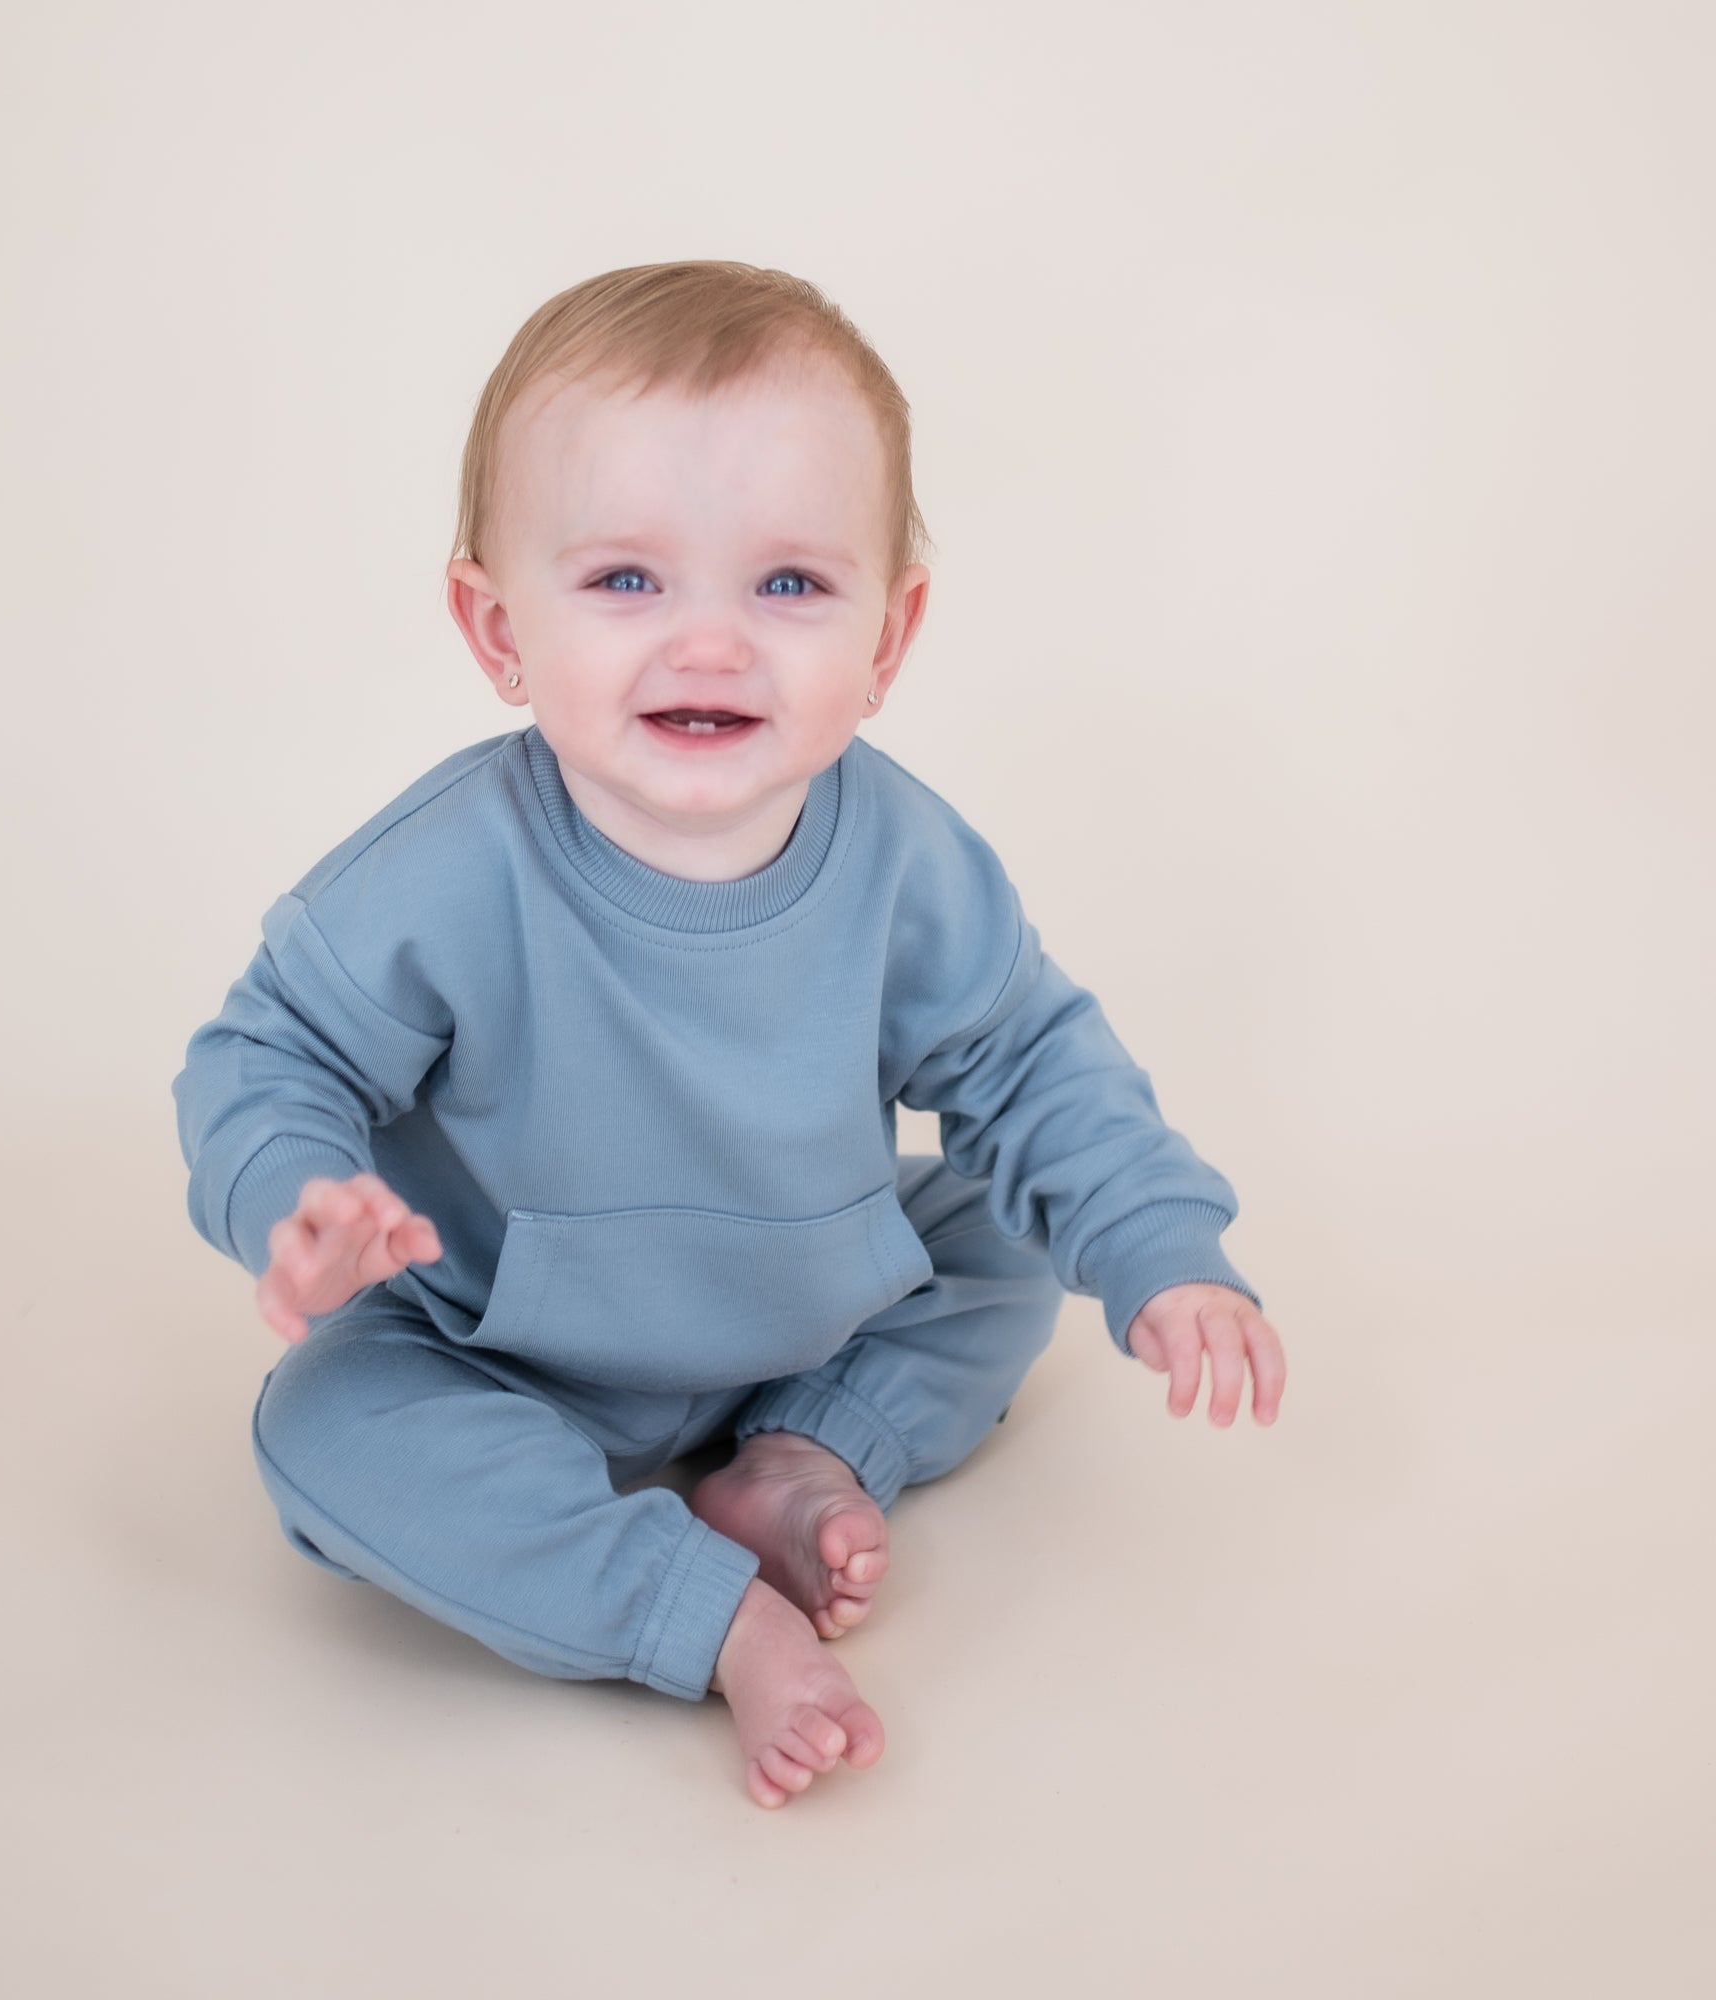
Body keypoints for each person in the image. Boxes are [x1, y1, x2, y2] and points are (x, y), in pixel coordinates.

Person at [171, 260, 1287, 1810]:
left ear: (887, 641)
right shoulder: (446, 872)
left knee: (1003, 1232)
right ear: (495, 627)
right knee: (327, 1429)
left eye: (788, 586)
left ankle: (804, 1457)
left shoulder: (905, 860)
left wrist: (1161, 1245)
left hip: (805, 1300)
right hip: (500, 1342)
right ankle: (701, 1614)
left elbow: (1028, 1066)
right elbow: (266, 1055)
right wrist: (293, 1193)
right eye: (627, 581)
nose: (709, 645)